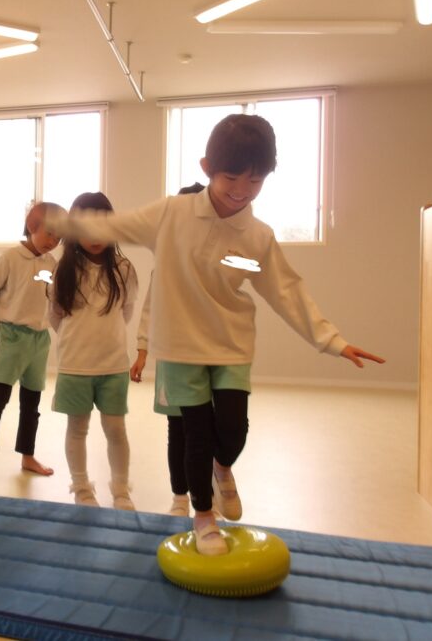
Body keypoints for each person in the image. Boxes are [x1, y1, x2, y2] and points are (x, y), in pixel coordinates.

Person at [49, 114, 385, 555]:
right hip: (182, 349)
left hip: (231, 346)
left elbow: (285, 289)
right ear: (207, 168)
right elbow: (115, 226)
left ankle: (223, 468)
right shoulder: (172, 214)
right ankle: (203, 517)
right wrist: (60, 223)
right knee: (195, 435)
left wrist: (331, 340)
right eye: (231, 178)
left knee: (233, 431)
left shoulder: (256, 236)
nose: (242, 190)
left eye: (255, 181)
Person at [50, 192, 138, 510]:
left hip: (113, 365)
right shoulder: (64, 270)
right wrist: (78, 341)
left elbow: (126, 311)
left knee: (115, 428)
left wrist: (104, 339)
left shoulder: (124, 269)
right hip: (75, 366)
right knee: (77, 428)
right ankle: (81, 487)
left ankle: (121, 490)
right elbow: (55, 316)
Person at [129, 182, 204, 517]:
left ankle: (206, 490)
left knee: (204, 429)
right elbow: (150, 309)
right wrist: (143, 350)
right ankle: (180, 496)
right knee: (178, 429)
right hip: (173, 359)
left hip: (208, 359)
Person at [0, 202, 61, 477]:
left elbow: (53, 300)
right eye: (49, 233)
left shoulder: (51, 263)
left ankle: (27, 456)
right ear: (32, 226)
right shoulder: (10, 257)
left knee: (31, 404)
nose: (53, 241)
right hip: (10, 338)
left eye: (59, 237)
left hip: (39, 340)